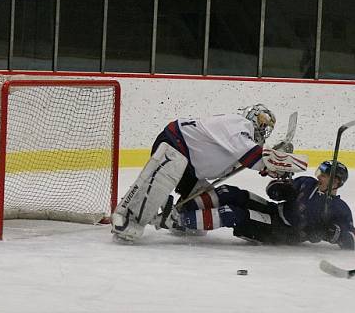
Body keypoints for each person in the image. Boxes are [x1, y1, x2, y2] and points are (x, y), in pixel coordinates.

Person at [112, 104, 304, 243]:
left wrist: (270, 165)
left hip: (190, 167)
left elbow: (255, 160)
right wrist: (277, 162)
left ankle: (175, 218)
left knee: (203, 207)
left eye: (266, 126)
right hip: (175, 146)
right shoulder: (237, 124)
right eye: (262, 122)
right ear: (251, 117)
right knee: (133, 221)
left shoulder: (240, 138)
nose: (263, 128)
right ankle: (125, 216)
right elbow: (254, 158)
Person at [162, 160, 355, 250]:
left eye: (325, 175)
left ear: (336, 182)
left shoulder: (340, 209)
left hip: (281, 231)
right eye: (320, 172)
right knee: (230, 192)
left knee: (233, 213)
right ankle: (184, 210)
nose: (319, 176)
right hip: (273, 211)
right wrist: (279, 188)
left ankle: (179, 221)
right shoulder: (307, 183)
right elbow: (274, 192)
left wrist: (335, 234)